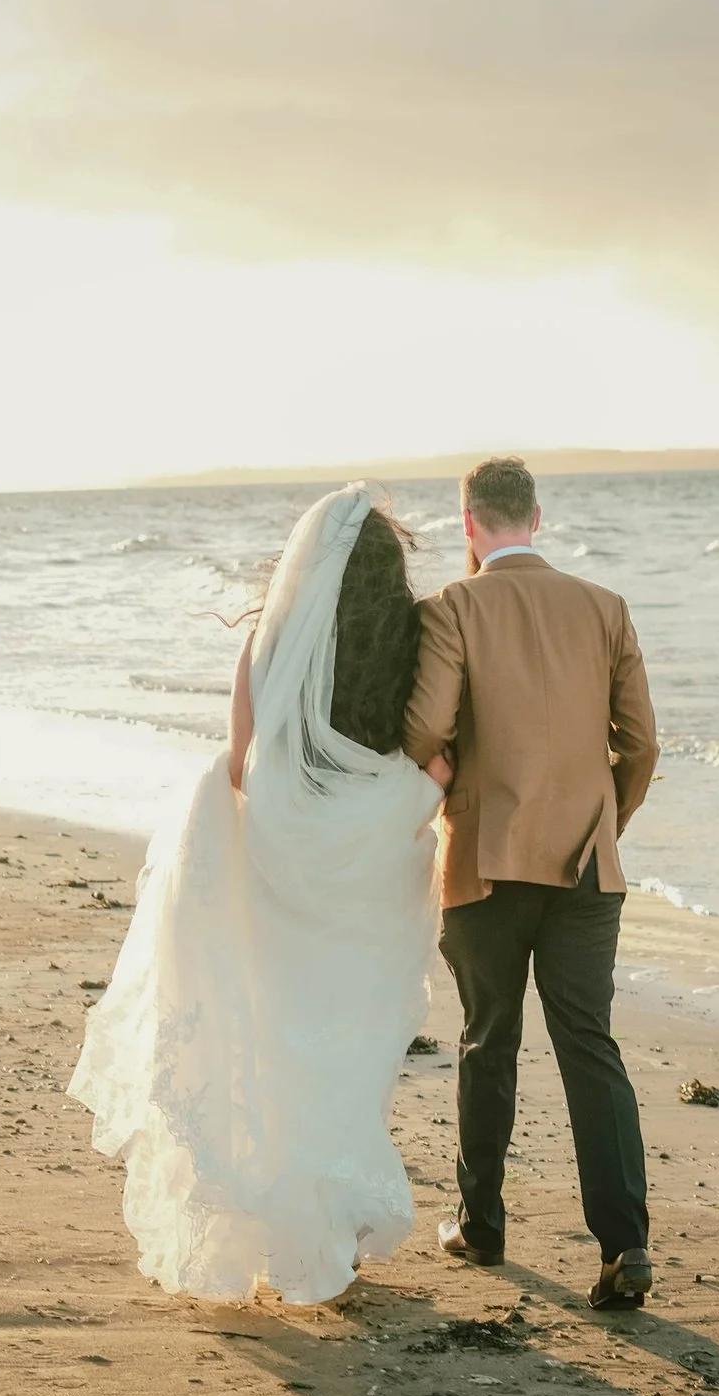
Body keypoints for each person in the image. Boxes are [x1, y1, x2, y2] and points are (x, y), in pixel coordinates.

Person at [70, 485, 450, 1304]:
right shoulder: (412, 639)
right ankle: (334, 1227)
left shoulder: (268, 645)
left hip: (285, 857)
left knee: (283, 1042)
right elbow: (433, 748)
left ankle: (288, 1223)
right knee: (350, 1040)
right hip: (372, 864)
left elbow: (244, 764)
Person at [404, 456, 661, 1309]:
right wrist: (603, 823)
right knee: (591, 1045)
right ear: (538, 517)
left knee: (489, 1041)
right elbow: (642, 744)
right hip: (588, 863)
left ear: (468, 523)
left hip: (485, 859)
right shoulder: (605, 607)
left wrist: (447, 771)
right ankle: (625, 1244)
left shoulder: (454, 606)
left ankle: (482, 1223)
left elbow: (422, 726)